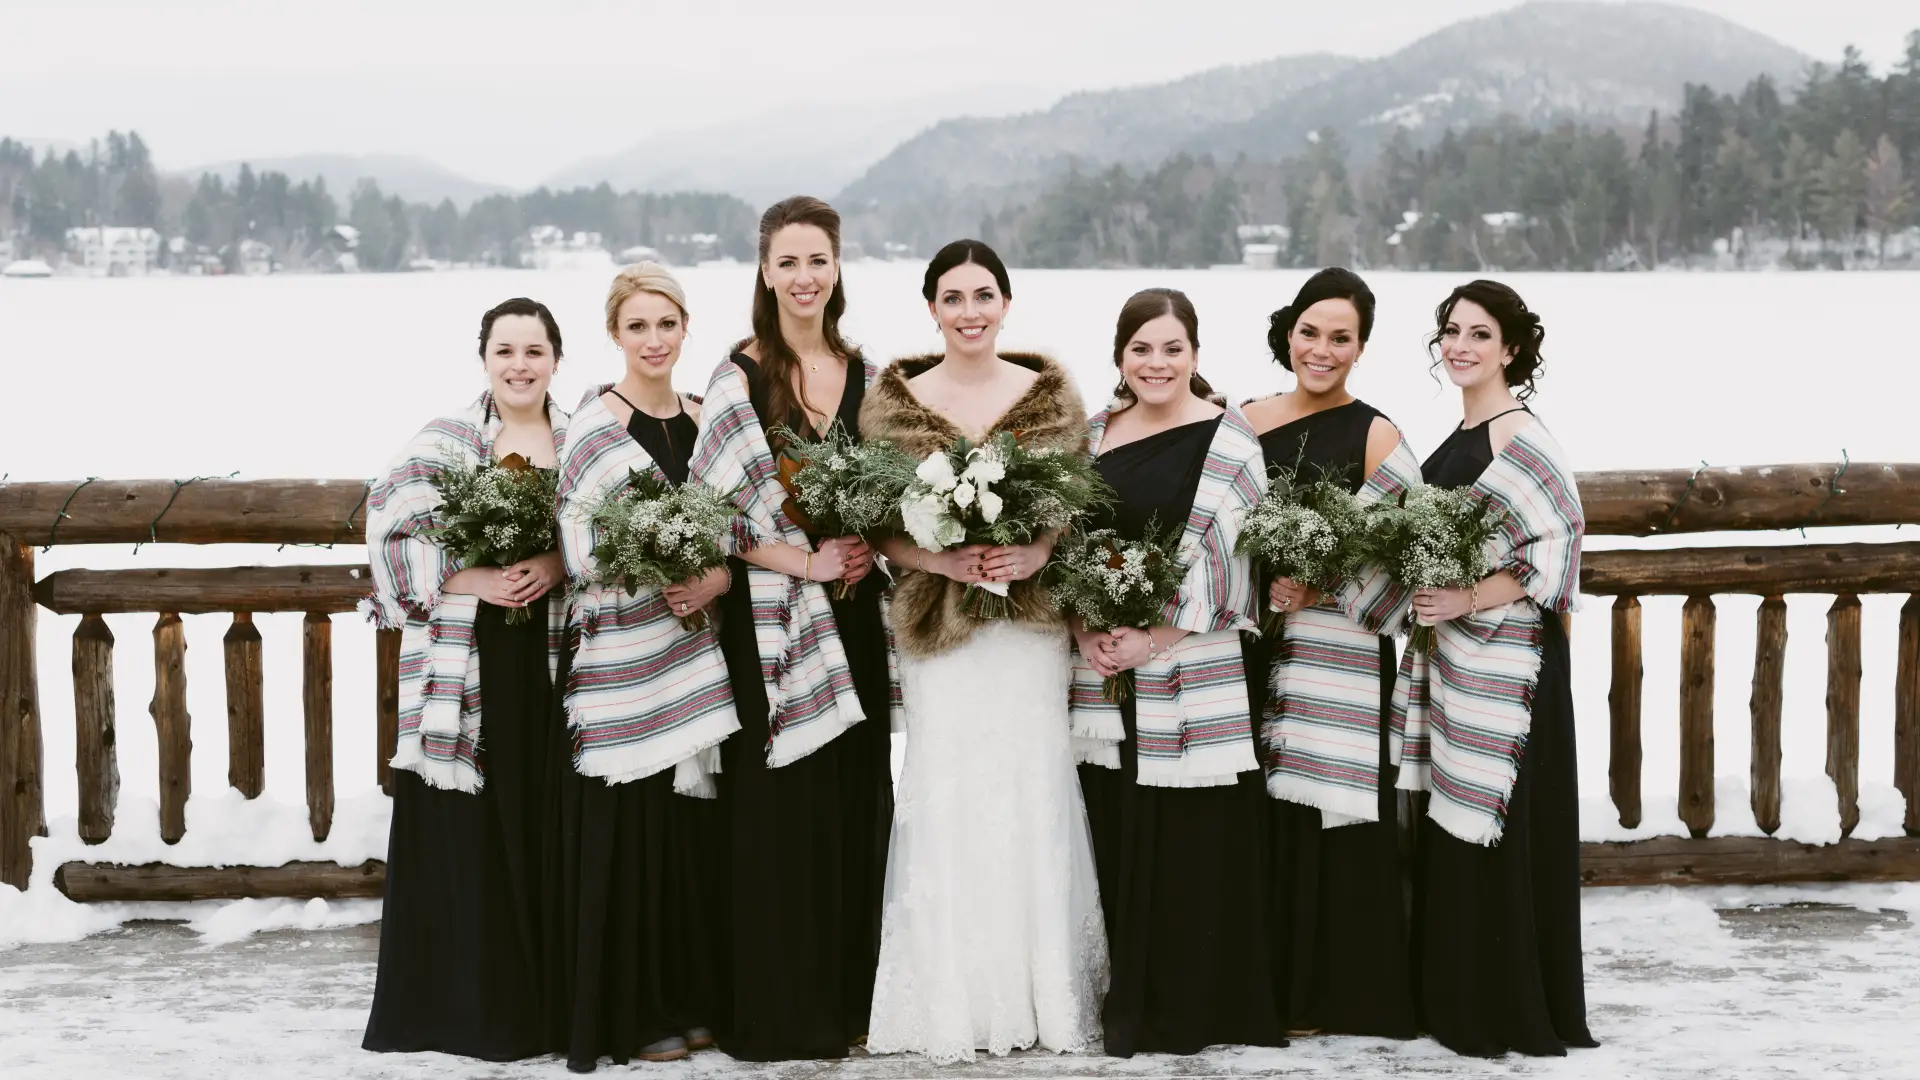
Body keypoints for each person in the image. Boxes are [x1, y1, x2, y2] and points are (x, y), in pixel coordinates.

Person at [861, 239, 1107, 1064]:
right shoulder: (893, 405)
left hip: (1028, 630)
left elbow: (1074, 502)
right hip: (939, 631)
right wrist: (938, 558)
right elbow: (874, 520)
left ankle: (1043, 992)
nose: (970, 311)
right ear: (931, 308)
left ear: (1007, 304)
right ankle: (950, 996)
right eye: (954, 297)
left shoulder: (1050, 400)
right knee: (946, 787)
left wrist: (1036, 554)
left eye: (984, 295)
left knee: (1031, 782)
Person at [686, 196, 895, 1062]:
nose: (804, 278)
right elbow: (713, 513)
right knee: (774, 818)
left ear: (838, 268)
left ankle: (850, 1004)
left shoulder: (868, 373)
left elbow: (896, 496)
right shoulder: (738, 377)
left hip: (852, 619)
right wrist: (804, 561)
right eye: (788, 262)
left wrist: (865, 546)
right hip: (766, 628)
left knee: (852, 803)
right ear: (764, 271)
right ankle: (775, 1012)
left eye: (819, 261)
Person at [1070, 287, 1281, 1057]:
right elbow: (1061, 544)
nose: (1156, 364)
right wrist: (1085, 622)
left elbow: (1239, 558)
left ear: (1195, 354)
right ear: (1120, 356)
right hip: (1100, 671)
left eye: (1172, 349)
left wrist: (1156, 636)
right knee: (1114, 829)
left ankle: (1195, 1008)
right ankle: (1122, 996)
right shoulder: (1091, 436)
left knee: (1191, 843)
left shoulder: (1231, 442)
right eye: (1141, 349)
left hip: (1194, 665)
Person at [545, 263, 741, 1071]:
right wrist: (652, 568)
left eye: (667, 324)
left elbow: (738, 528)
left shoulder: (708, 418)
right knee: (633, 839)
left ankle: (695, 1000)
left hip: (702, 649)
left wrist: (715, 577)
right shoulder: (596, 425)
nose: (654, 340)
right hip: (623, 656)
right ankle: (636, 1011)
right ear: (615, 335)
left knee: (693, 838)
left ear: (686, 328)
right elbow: (579, 541)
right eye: (638, 327)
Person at [362, 298, 569, 1061]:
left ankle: (545, 1002)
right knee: (469, 831)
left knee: (543, 821)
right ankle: (460, 1007)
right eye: (506, 350)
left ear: (556, 359)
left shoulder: (581, 439)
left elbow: (603, 537)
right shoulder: (447, 441)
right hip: (470, 658)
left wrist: (553, 564)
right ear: (483, 358)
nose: (520, 365)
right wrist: (471, 575)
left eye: (535, 350)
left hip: (555, 659)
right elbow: (389, 533)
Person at [1396, 279, 1596, 1057]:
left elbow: (1555, 552)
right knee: (1457, 817)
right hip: (1456, 663)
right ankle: (1459, 994)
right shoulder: (1458, 432)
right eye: (1451, 332)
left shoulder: (1523, 437)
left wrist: (1465, 598)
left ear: (1511, 349)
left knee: (1503, 826)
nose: (1461, 347)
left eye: (1480, 335)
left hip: (1512, 664)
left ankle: (1507, 1005)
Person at [1242, 268, 1421, 1039]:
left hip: (1338, 655)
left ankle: (1342, 993)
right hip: (1250, 648)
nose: (1322, 350)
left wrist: (1321, 589)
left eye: (1340, 338)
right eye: (1310, 332)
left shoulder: (1377, 433)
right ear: (1288, 331)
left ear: (1361, 348)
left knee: (1336, 825)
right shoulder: (1241, 419)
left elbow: (1405, 554)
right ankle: (1265, 985)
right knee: (1257, 820)